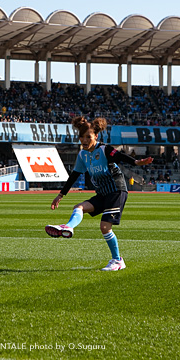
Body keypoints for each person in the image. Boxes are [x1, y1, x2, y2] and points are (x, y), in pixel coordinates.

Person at [45, 116, 153, 271]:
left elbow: (120, 156)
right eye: (82, 137)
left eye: (88, 136)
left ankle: (117, 261)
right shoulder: (82, 155)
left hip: (116, 190)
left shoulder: (104, 149)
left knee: (105, 227)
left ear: (96, 136)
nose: (84, 139)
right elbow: (74, 175)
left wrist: (136, 163)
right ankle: (68, 227)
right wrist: (60, 195)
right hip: (103, 193)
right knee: (79, 207)